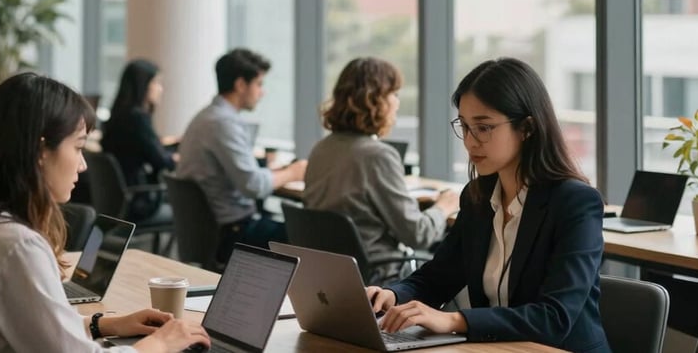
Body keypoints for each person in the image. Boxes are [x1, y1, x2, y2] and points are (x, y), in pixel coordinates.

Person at [0, 73, 210, 353]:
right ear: (41, 150)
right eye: (78, 147)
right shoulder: (15, 245)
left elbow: (33, 328)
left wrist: (102, 324)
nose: (82, 165)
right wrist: (161, 344)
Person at [368, 57, 610, 353]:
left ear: (527, 128)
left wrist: (455, 320)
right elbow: (438, 277)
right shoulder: (478, 197)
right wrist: (392, 295)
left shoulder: (575, 203)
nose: (470, 142)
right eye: (465, 127)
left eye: (484, 128)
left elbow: (555, 318)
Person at [304, 57, 458, 281]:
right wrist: (445, 207)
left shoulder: (321, 148)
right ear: (374, 100)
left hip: (332, 278)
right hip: (381, 279)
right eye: (394, 95)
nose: (397, 103)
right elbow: (418, 235)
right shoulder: (377, 155)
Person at [177, 48, 306, 262]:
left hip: (209, 230)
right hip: (232, 234)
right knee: (308, 237)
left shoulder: (206, 116)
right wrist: (293, 172)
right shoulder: (223, 123)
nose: (262, 92)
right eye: (259, 84)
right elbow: (253, 185)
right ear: (240, 85)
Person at [101, 58, 176, 221]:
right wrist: (178, 157)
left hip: (118, 200)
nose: (160, 89)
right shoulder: (138, 119)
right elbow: (162, 161)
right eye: (156, 83)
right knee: (187, 210)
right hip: (139, 202)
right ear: (143, 85)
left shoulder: (118, 116)